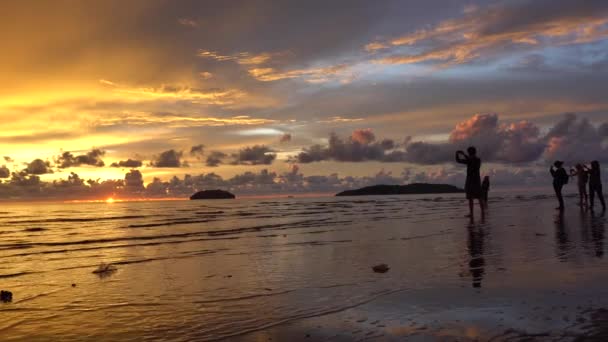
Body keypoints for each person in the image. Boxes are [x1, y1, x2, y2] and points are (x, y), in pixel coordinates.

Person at [456, 146, 484, 218]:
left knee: (472, 198)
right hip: (476, 181)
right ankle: (482, 212)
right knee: (479, 197)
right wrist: (458, 154)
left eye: (469, 153)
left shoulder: (474, 160)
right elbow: (458, 160)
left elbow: (464, 160)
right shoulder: (477, 160)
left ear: (469, 153)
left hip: (471, 181)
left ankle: (472, 213)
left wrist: (462, 154)